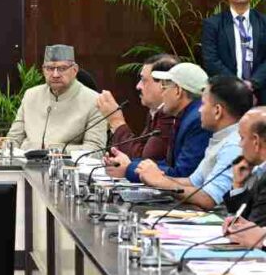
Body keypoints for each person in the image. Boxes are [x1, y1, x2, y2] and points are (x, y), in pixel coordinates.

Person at [132, 76, 252, 210]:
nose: (199, 110)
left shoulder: (234, 146)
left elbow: (209, 199)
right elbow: (192, 183)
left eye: (203, 104)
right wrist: (154, 176)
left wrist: (162, 182)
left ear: (217, 111)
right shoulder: (222, 137)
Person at [105, 63, 212, 182]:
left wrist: (129, 168)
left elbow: (182, 174)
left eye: (164, 87)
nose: (162, 93)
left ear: (178, 91)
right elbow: (169, 163)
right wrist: (129, 163)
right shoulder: (186, 116)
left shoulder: (197, 120)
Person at [6, 44, 107, 152]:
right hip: (25, 161)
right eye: (49, 68)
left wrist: (53, 150)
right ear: (43, 70)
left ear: (74, 70)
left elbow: (95, 150)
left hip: (68, 162)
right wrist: (6, 149)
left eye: (62, 68)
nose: (55, 75)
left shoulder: (94, 101)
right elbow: (13, 138)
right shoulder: (31, 95)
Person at [96, 54, 178, 160]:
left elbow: (145, 159)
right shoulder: (154, 111)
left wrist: (116, 121)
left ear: (163, 83)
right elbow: (139, 151)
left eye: (144, 80)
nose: (138, 86)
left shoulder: (170, 114)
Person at [202, 0, 266, 103]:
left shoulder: (264, 22)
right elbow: (211, 60)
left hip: (261, 92)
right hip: (226, 94)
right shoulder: (213, 24)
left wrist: (252, 83)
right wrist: (238, 86)